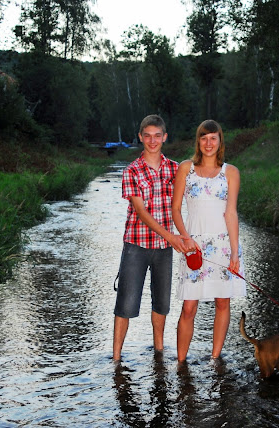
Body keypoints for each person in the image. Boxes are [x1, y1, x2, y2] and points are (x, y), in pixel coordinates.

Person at [113, 114, 189, 362]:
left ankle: (159, 351)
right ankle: (116, 358)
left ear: (165, 137)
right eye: (147, 136)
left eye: (157, 136)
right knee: (126, 304)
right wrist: (172, 237)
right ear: (140, 137)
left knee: (162, 304)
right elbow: (141, 212)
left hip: (164, 249)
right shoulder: (131, 171)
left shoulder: (176, 169)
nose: (152, 140)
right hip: (136, 245)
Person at [172, 119, 246, 362]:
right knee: (189, 307)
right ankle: (181, 362)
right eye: (204, 138)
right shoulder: (186, 169)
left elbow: (231, 213)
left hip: (223, 246)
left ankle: (215, 359)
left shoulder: (231, 172)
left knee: (222, 302)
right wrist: (186, 239)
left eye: (213, 138)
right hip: (193, 246)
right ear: (198, 141)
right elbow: (175, 210)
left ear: (220, 141)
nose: (208, 143)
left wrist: (234, 252)